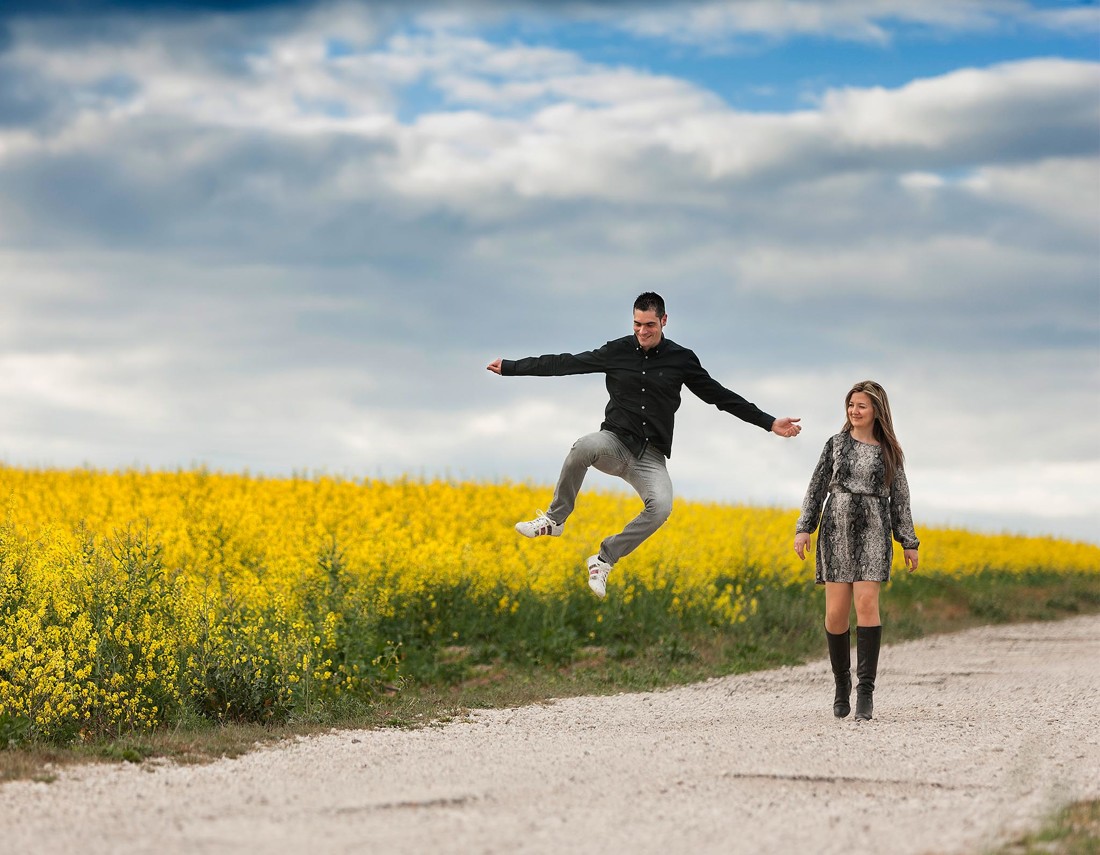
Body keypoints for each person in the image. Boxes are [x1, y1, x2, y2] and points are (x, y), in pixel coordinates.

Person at [487, 291, 802, 599]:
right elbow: (567, 362)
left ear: (664, 321)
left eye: (649, 324)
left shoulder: (681, 360)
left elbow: (720, 397)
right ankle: (554, 521)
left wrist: (769, 422)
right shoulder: (618, 351)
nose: (642, 331)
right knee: (583, 446)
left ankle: (603, 560)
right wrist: (514, 367)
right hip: (613, 442)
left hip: (649, 456)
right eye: (637, 324)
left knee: (662, 506)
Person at [794, 380, 919, 722]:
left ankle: (865, 690)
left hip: (875, 528)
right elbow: (817, 487)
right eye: (851, 405)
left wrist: (907, 540)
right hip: (836, 528)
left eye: (861, 405)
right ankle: (840, 683)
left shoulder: (890, 452)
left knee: (866, 603)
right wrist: (804, 528)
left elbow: (902, 498)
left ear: (877, 410)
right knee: (836, 614)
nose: (854, 411)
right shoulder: (835, 445)